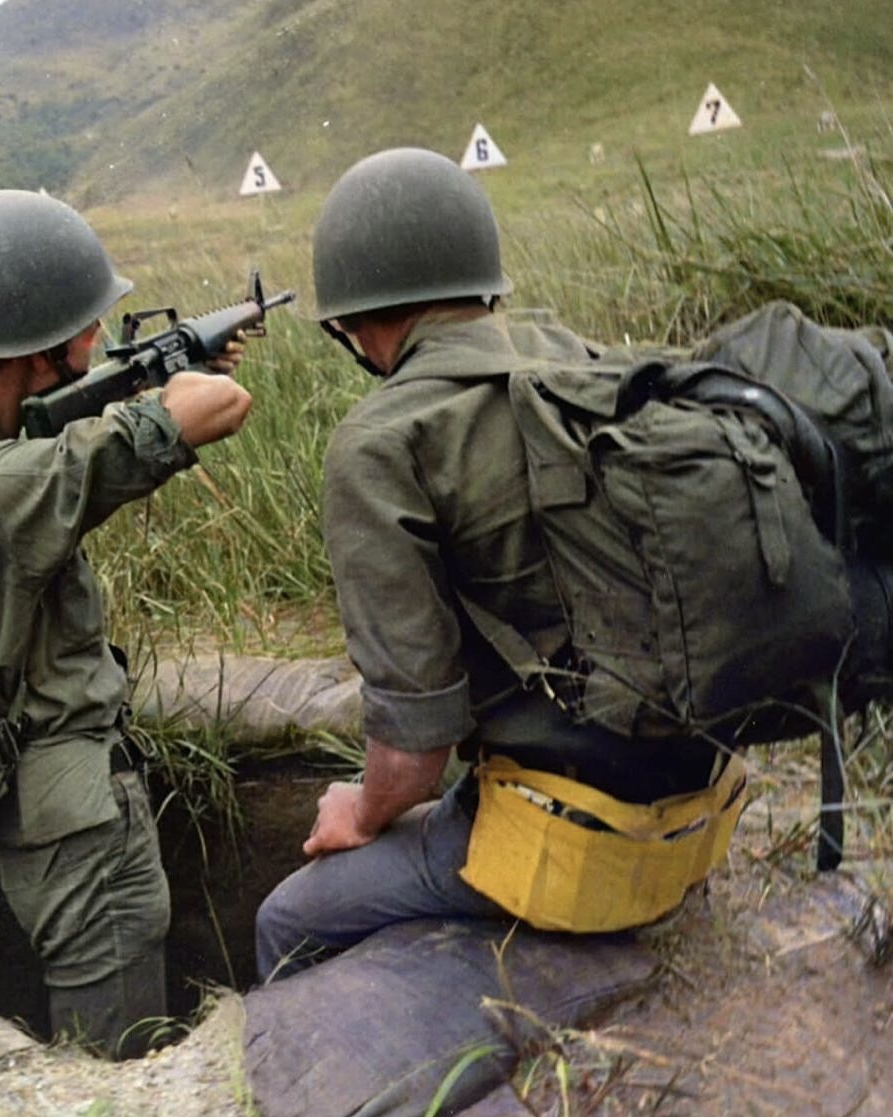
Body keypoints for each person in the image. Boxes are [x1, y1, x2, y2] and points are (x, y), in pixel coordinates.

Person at [254, 147, 739, 981]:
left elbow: (412, 759)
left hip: (572, 841)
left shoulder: (380, 444)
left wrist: (359, 812)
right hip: (708, 806)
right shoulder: (581, 362)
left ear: (362, 321)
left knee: (286, 918)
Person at [0, 188, 252, 1054]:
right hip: (82, 833)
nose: (99, 340)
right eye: (88, 328)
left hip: (25, 805)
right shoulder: (5, 486)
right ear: (40, 345)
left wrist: (135, 378)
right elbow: (215, 411)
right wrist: (178, 383)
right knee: (114, 1066)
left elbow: (47, 445)